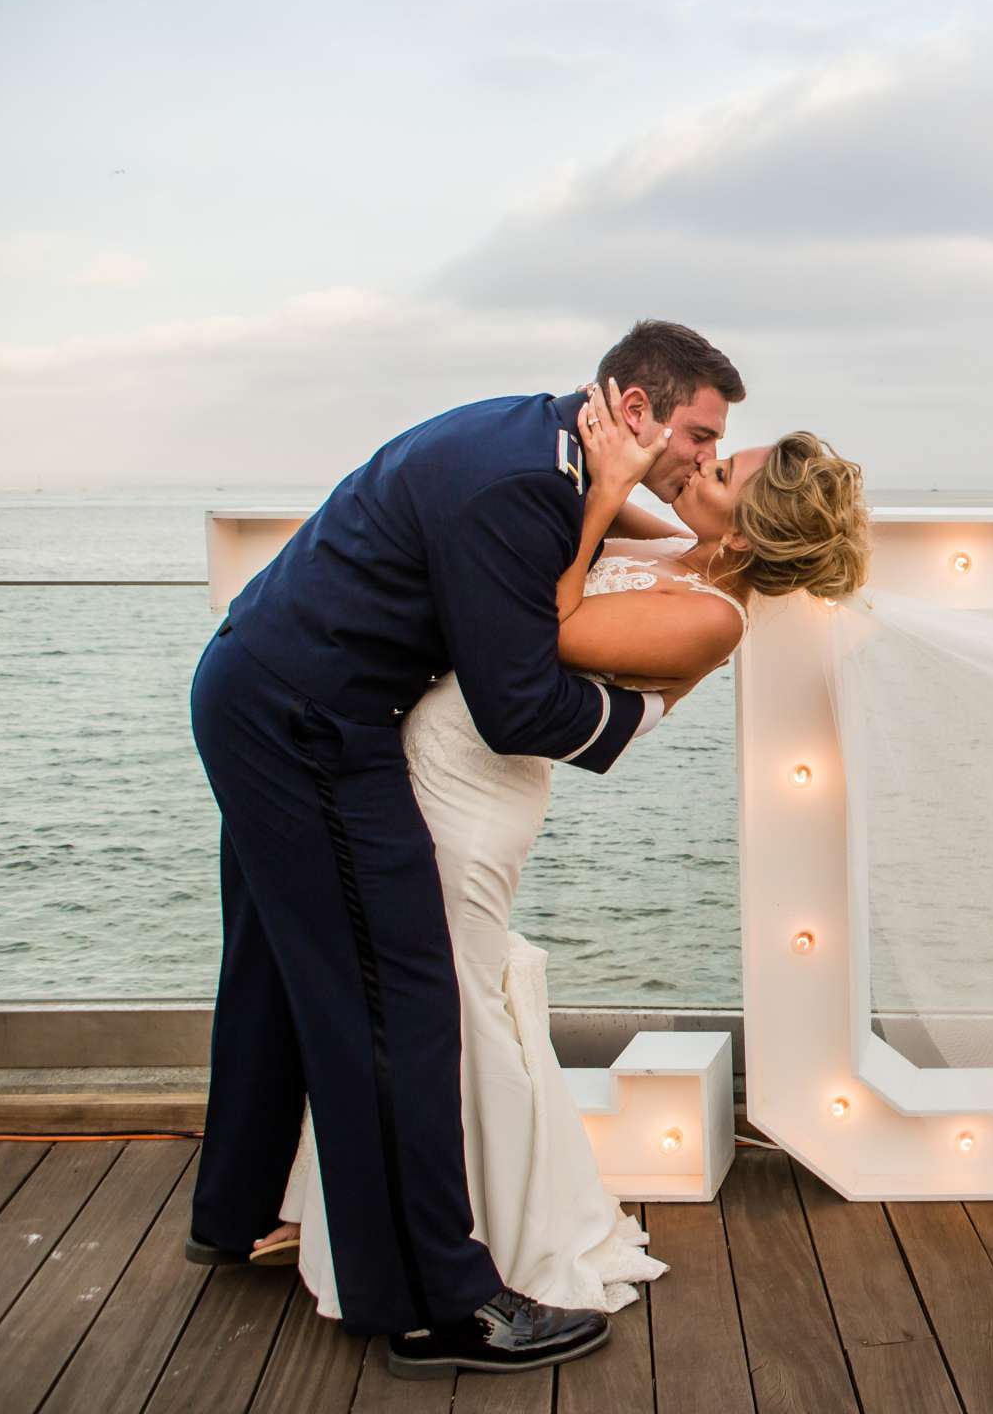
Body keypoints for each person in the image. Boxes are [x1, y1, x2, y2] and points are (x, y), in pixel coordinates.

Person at [186, 321, 741, 1377]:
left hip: (260, 691)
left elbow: (584, 517)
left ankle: (236, 1211)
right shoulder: (522, 490)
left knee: (270, 970)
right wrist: (650, 713)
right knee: (399, 997)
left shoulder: (542, 443)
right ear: (633, 410)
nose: (702, 460)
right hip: (310, 727)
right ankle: (437, 1303)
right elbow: (518, 704)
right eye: (699, 434)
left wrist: (658, 540)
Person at [264, 410, 869, 1334]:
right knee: (417, 1001)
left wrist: (605, 497)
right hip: (422, 768)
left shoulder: (711, 618)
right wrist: (622, 467)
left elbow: (548, 624)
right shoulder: (681, 550)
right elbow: (560, 503)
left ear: (743, 533)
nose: (701, 463)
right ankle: (380, 1223)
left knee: (451, 1009)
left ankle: (489, 1243)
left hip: (473, 796)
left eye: (719, 471)